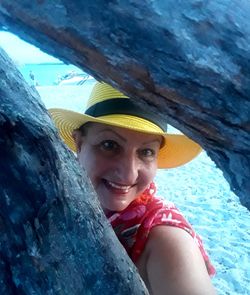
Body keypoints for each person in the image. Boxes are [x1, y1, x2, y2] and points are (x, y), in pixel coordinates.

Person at [49, 82, 216, 295]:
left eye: (146, 152)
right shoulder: (58, 204)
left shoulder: (167, 241)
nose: (128, 174)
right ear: (79, 143)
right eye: (109, 145)